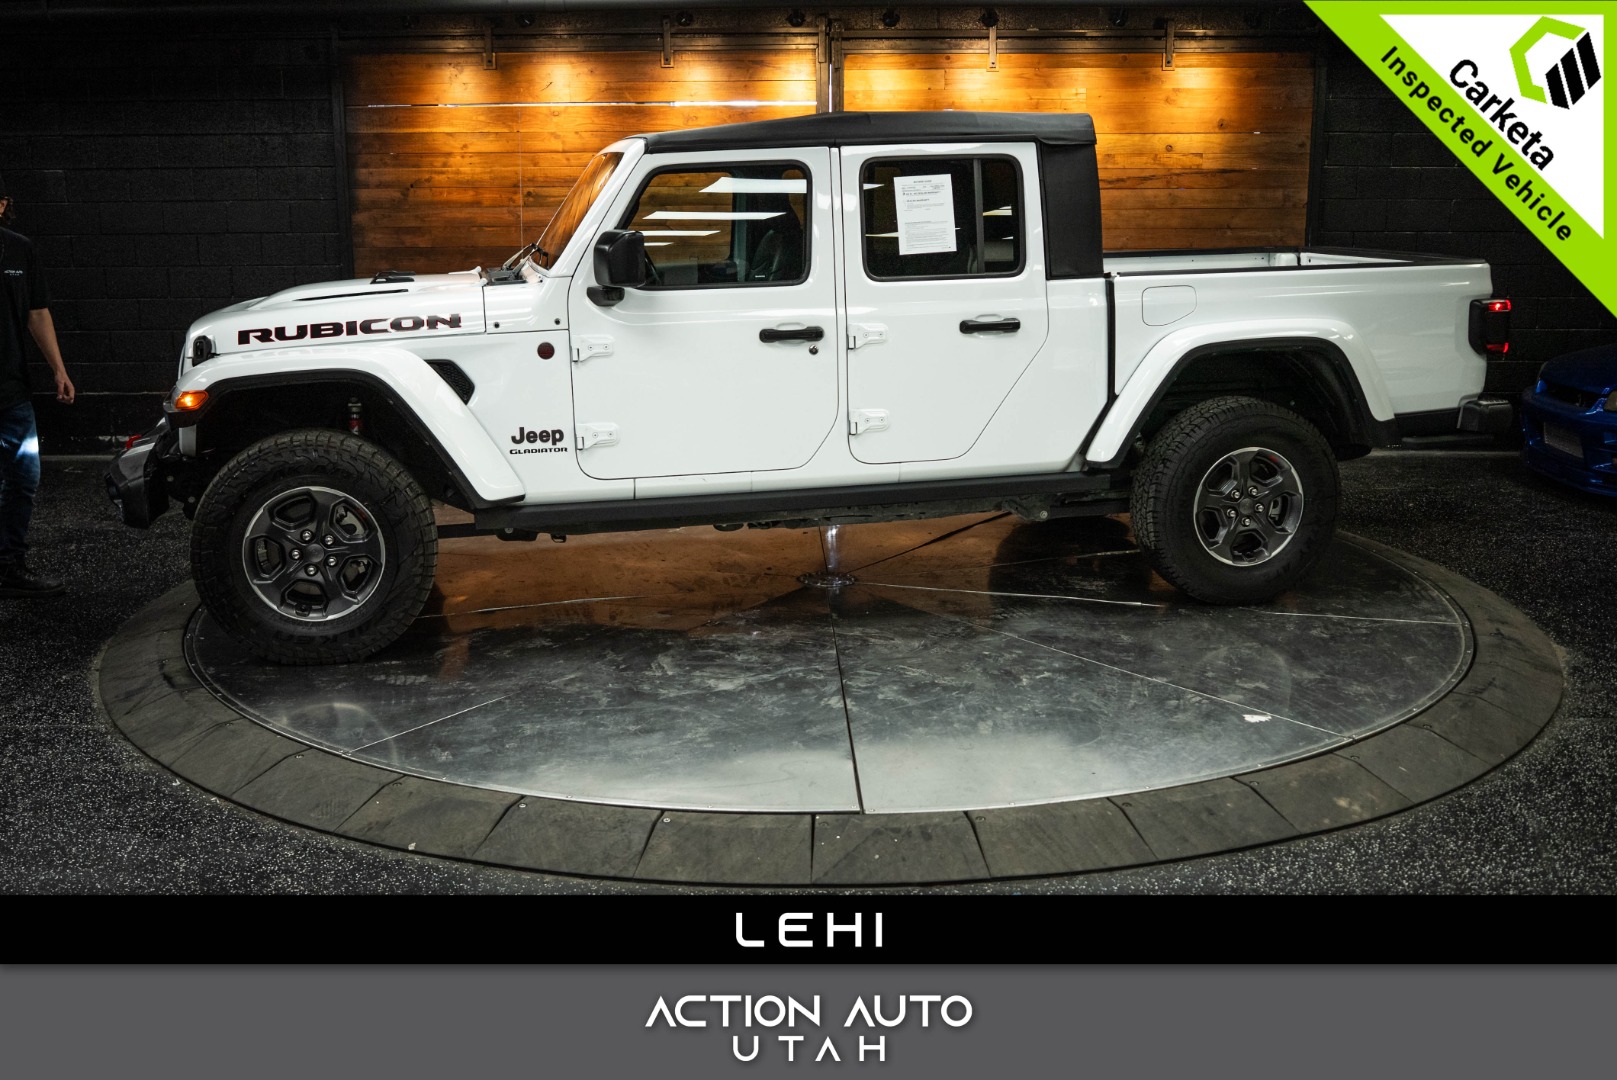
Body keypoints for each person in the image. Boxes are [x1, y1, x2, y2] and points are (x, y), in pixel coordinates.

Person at [0, 174, 74, 597]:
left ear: (2, 205)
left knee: (23, 477)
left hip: (11, 389)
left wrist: (58, 370)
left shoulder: (19, 249)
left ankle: (8, 567)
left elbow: (37, 313)